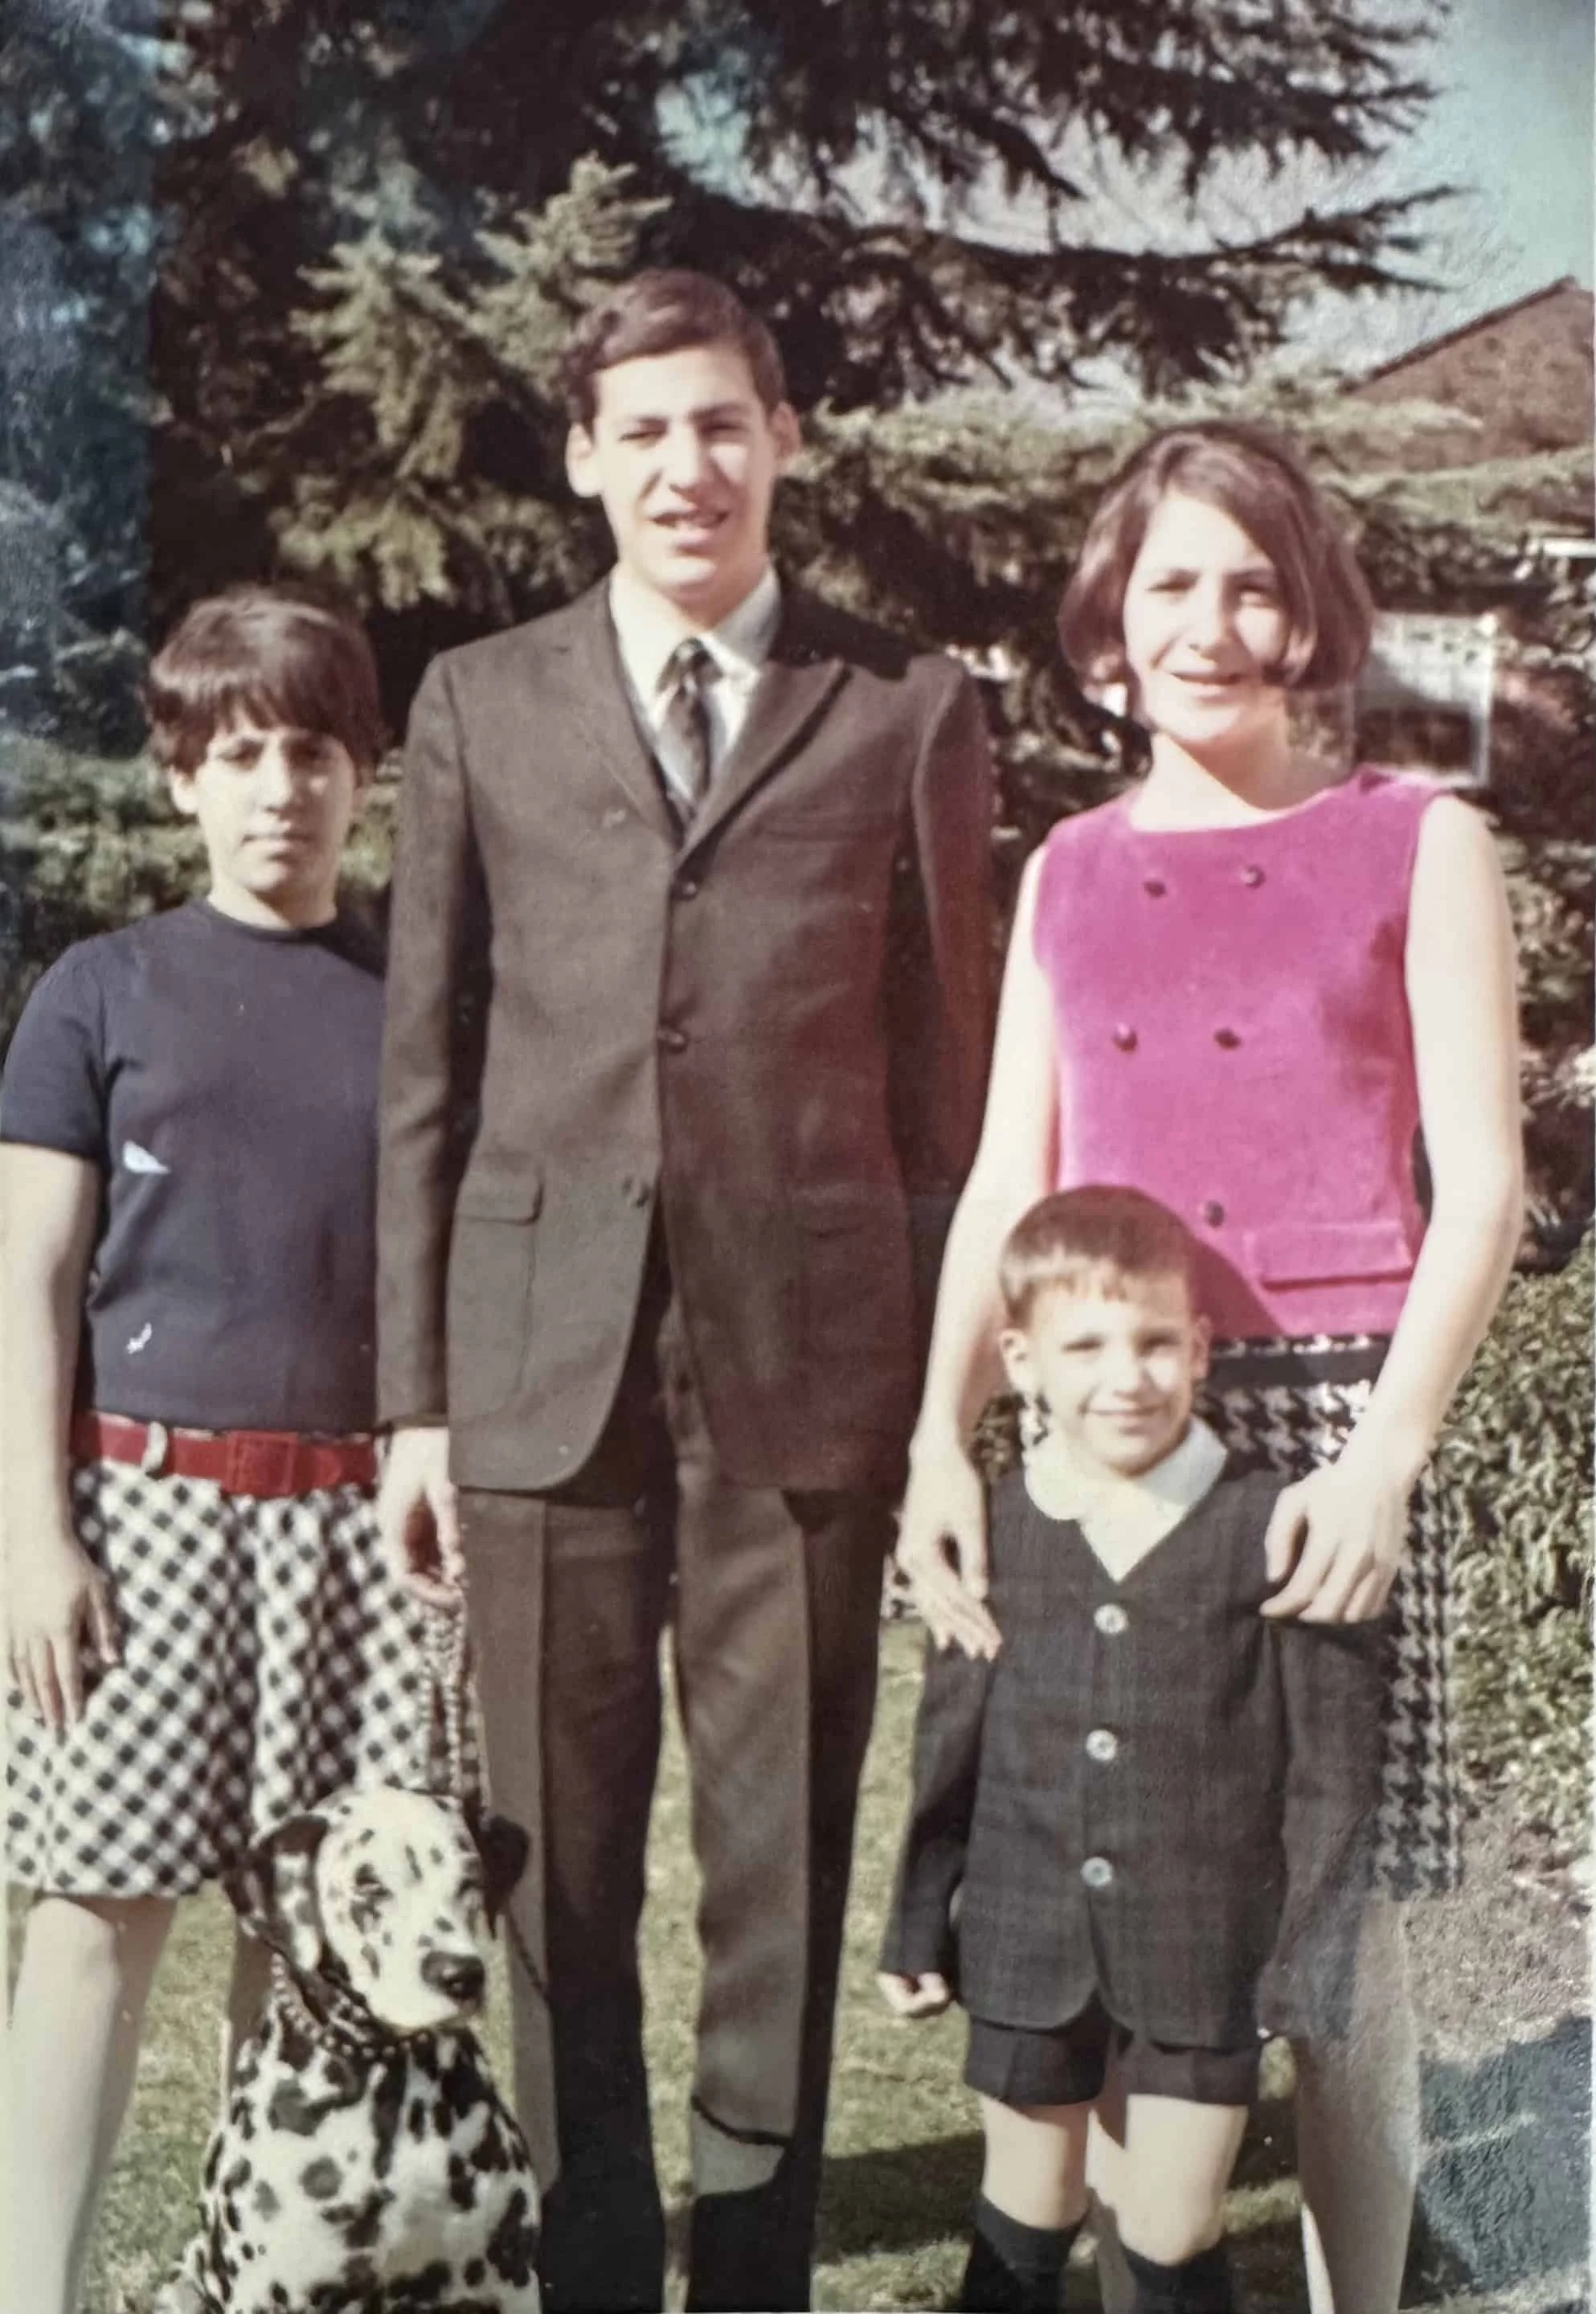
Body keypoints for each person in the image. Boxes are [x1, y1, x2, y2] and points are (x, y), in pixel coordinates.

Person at [374, 268, 995, 2312]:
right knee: (549, 1868)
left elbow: (953, 1084)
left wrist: (938, 1415)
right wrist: (416, 1403)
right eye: (641, 429)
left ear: (785, 440)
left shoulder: (905, 702)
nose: (685, 465)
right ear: (584, 459)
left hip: (805, 1366)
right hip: (543, 1364)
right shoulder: (480, 695)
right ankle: (592, 2271)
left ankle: (752, 2279)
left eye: (722, 421)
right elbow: (427, 1069)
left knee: (777, 1862)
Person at [894, 420, 1523, 2313]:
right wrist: (942, 1433)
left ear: (1309, 612)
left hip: (1332, 1422)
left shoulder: (1422, 837)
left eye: (1253, 579)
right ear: (1110, 619)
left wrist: (1385, 1457)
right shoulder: (1071, 870)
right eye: (1172, 578)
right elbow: (1013, 1174)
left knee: (1334, 1943)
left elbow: (1483, 1178)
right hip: (1100, 1414)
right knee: (1095, 1885)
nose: (1213, 619)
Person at [2, 586, 444, 2314]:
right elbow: (28, 1283)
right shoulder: (99, 992)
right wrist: (34, 1540)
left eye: (315, 752)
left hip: (356, 1529)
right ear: (181, 775)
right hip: (141, 1514)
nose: (282, 789)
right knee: (93, 1921)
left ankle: (260, 2272)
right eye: (241, 754)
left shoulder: (414, 992)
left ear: (364, 773)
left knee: (315, 1934)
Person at [880, 1186, 1385, 2314]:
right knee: (1026, 2210)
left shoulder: (1274, 1525)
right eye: (1086, 1344)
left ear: (1201, 1348)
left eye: (1156, 1340)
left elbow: (1328, 1778)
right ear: (1020, 1358)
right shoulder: (998, 1526)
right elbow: (947, 1746)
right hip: (1022, 1941)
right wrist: (919, 1918)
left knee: (1167, 2223)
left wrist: (1304, 1951)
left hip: (1204, 1954)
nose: (1127, 1374)